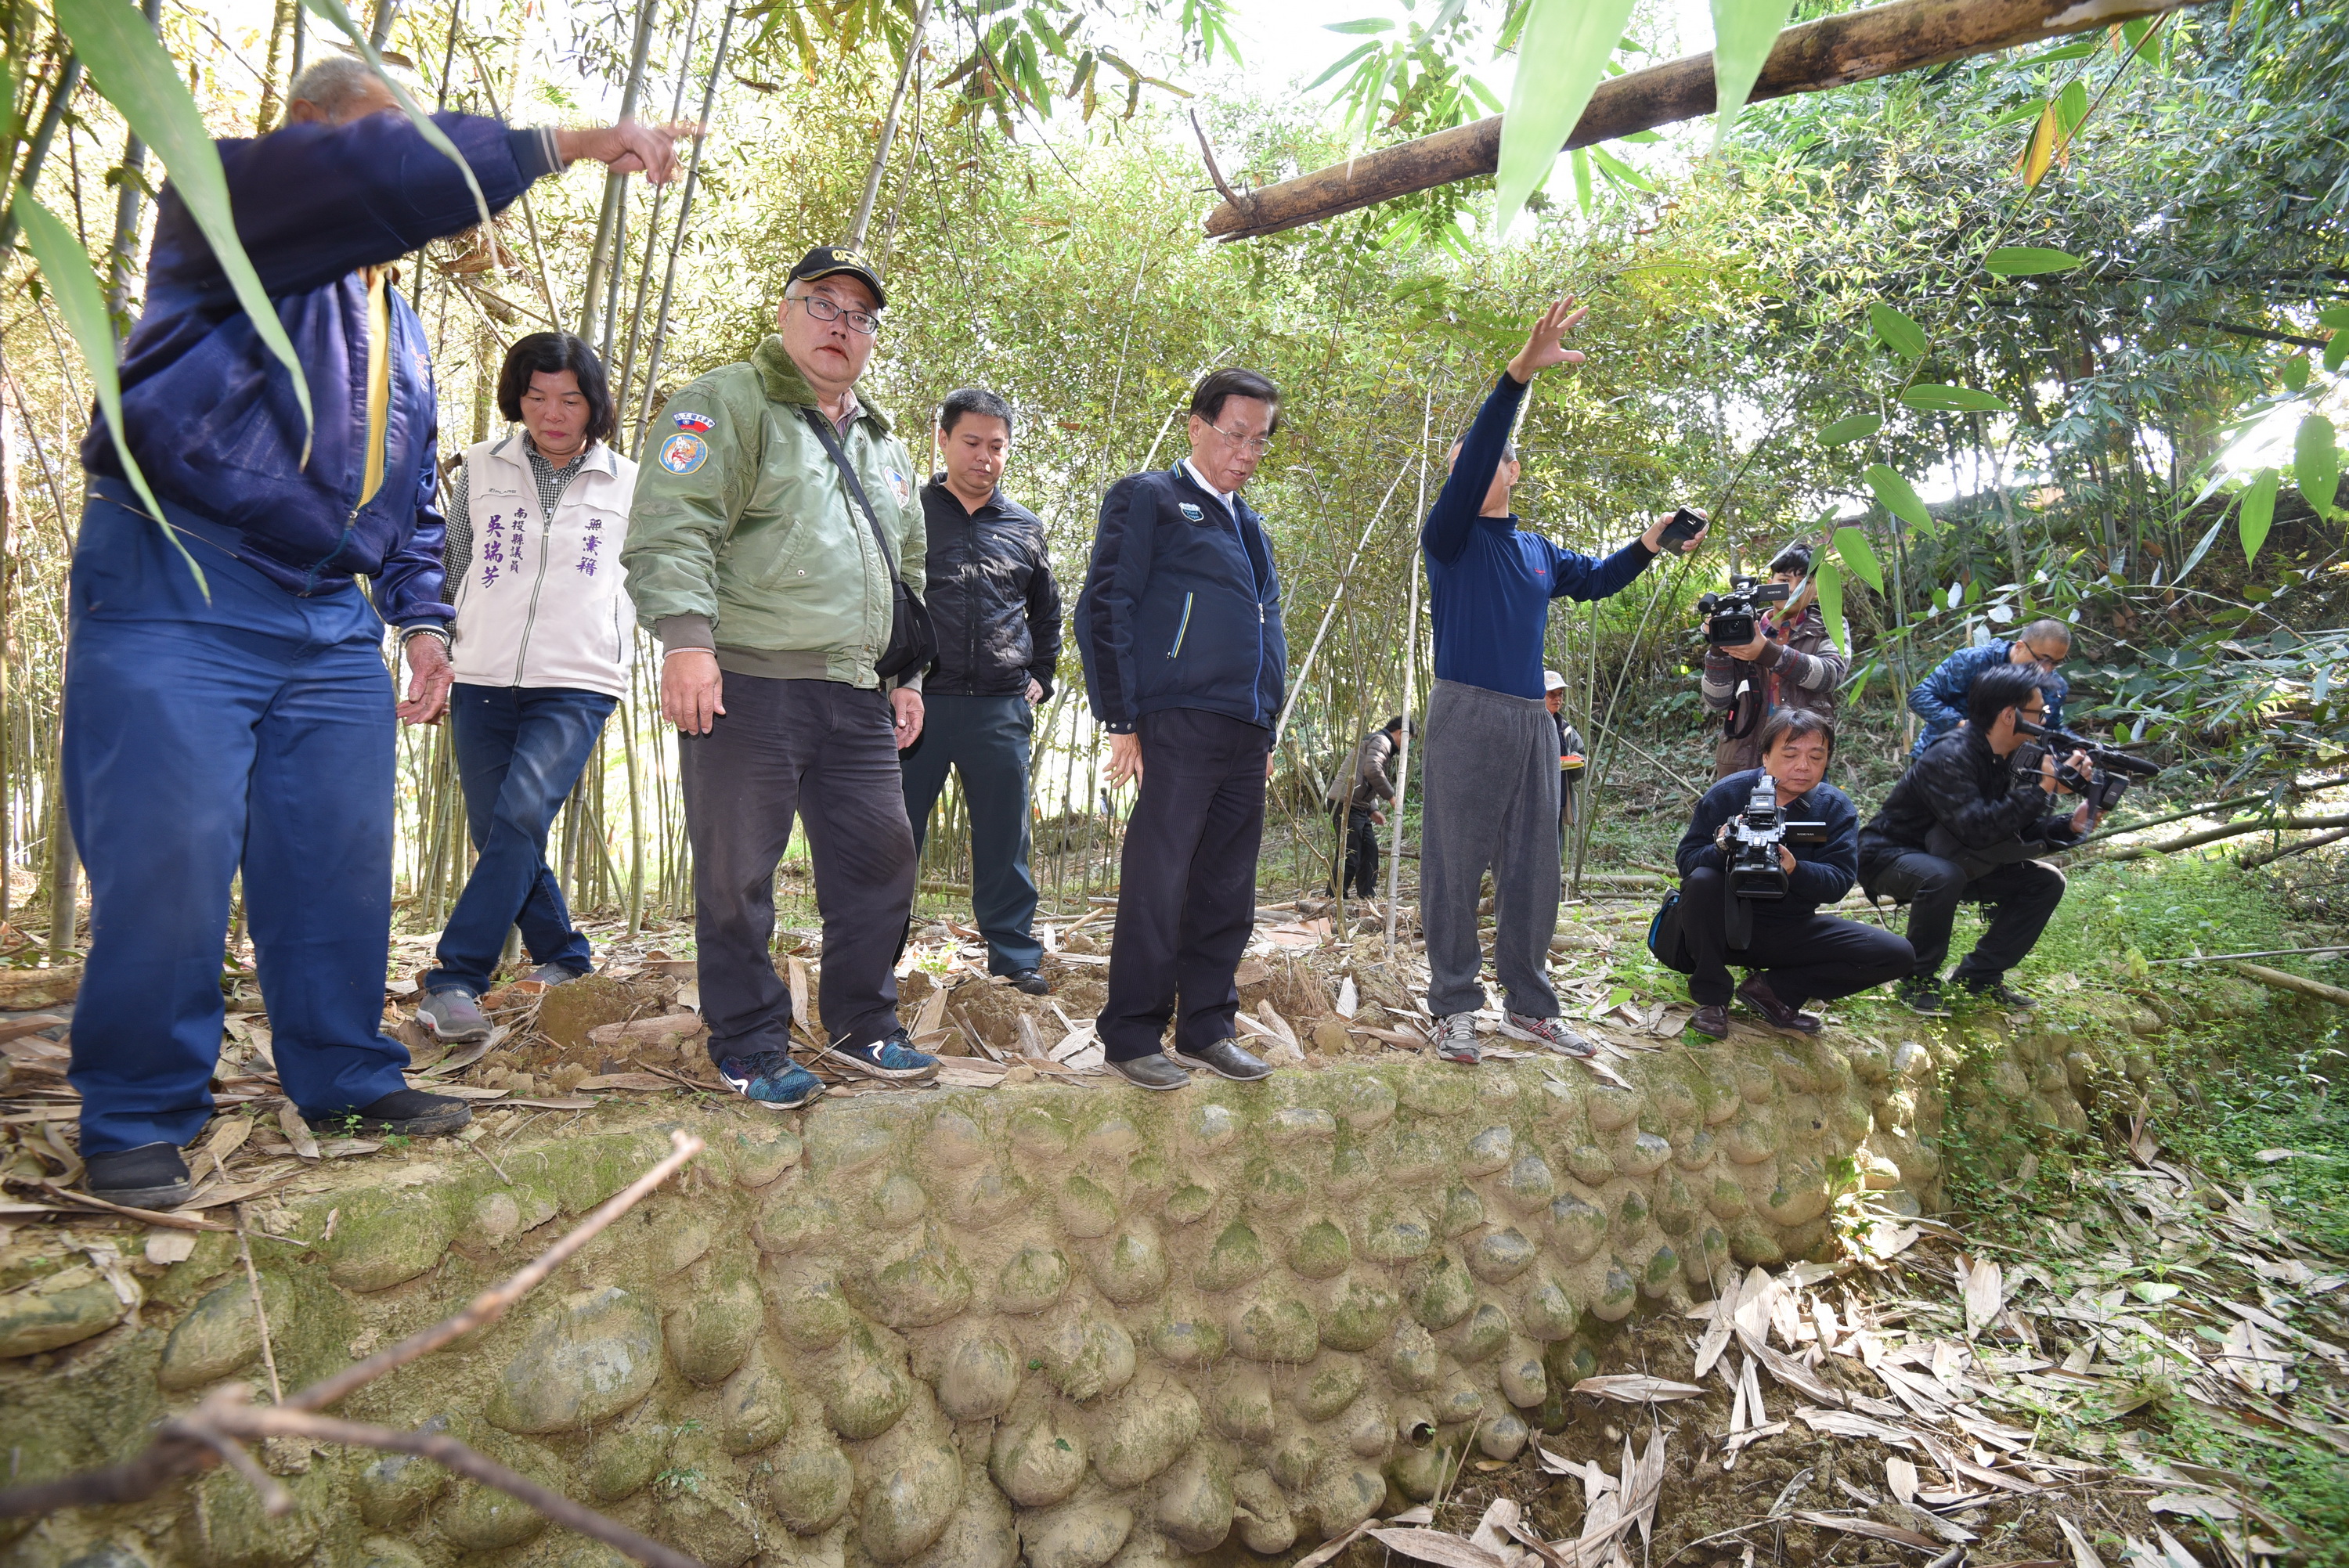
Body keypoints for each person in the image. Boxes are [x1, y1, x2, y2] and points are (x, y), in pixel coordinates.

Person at [63, 58, 689, 1209]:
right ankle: (141, 1108)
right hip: (180, 573)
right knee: (173, 854)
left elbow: (401, 502)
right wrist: (564, 142)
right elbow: (381, 180)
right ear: (312, 137)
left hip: (325, 614)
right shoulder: (230, 202)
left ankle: (346, 1071)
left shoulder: (395, 322)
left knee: (335, 858)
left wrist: (424, 623)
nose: (411, 172)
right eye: (388, 142)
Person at [622, 245, 940, 1110]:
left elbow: (908, 561)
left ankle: (865, 1022)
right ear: (785, 311)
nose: (841, 325)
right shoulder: (728, 401)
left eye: (860, 315)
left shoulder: (883, 441)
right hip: (750, 682)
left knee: (883, 861)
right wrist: (686, 640)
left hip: (859, 692)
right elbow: (672, 522)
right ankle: (751, 1043)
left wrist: (906, 672)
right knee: (737, 876)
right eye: (823, 303)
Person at [1419, 298, 1706, 1066]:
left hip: (1531, 718)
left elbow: (1603, 577)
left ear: (1514, 471)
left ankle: (1530, 1006)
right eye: (1461, 466)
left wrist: (1652, 541)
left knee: (1533, 868)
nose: (1472, 470)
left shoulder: (1538, 551)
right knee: (1454, 862)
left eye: (1485, 462)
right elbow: (1476, 450)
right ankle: (1453, 1007)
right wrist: (1517, 375)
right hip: (1466, 712)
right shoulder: (1447, 540)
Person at [414, 333, 637, 1043]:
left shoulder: (631, 483)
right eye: (537, 396)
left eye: (570, 398)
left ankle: (455, 978)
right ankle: (565, 954)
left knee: (516, 819)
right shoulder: (480, 468)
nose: (552, 412)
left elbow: (666, 575)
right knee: (498, 830)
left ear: (593, 405)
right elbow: (445, 572)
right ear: (518, 397)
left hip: (577, 681)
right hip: (482, 676)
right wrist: (433, 654)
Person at [1076, 369, 1288, 1091]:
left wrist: (1267, 722)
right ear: (1196, 426)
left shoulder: (1250, 524)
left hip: (1245, 728)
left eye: (1260, 440)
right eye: (1236, 434)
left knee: (1227, 884)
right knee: (1159, 878)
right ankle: (1132, 1031)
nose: (1248, 451)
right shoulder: (1151, 498)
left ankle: (1207, 1026)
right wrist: (1121, 717)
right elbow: (1107, 604)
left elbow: (1268, 626)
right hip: (1178, 717)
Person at [899, 387, 1062, 993]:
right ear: (943, 440)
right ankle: (876, 951)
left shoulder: (1025, 526)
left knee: (1004, 837)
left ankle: (1015, 955)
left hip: (999, 706)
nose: (984, 457)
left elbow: (1047, 612)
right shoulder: (908, 514)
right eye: (972, 442)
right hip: (918, 703)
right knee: (893, 835)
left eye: (997, 446)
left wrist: (1041, 674)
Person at [1860, 663, 2097, 1015]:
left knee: (2045, 881)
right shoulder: (1950, 755)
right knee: (1942, 875)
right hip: (1890, 856)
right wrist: (2044, 787)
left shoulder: (2011, 757)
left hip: (1953, 855)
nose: (2045, 721)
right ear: (2009, 715)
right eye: (2039, 712)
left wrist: (2071, 825)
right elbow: (1978, 828)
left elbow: (2009, 827)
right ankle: (1916, 979)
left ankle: (1978, 977)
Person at [1664, 711, 1914, 1039]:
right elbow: (1686, 861)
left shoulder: (1834, 807)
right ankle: (1711, 999)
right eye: (1791, 754)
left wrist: (1795, 869)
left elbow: (1838, 881)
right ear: (1766, 756)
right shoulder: (1729, 794)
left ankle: (1774, 991)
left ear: (1827, 761)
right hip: (1723, 925)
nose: (1803, 766)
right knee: (1701, 881)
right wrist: (1722, 845)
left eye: (1816, 756)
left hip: (1790, 928)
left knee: (1897, 954)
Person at [1701, 543, 1846, 780]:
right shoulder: (1742, 623)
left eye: (1805, 582)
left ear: (1818, 589)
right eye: (1784, 579)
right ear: (1769, 583)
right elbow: (1716, 701)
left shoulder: (1829, 625)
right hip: (1743, 756)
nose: (1793, 589)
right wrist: (1718, 647)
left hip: (1802, 759)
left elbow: (1830, 676)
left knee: (1805, 817)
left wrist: (1766, 652)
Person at [1905, 619, 2071, 758]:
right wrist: (1963, 725)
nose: (2047, 669)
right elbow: (1920, 696)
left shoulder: (2053, 686)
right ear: (2020, 646)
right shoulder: (1972, 661)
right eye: (2042, 660)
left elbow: (2052, 728)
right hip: (1942, 757)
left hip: (2002, 771)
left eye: (2055, 663)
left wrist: (2076, 747)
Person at [1328, 716, 1405, 900]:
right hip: (1345, 803)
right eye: (1408, 739)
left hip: (1358, 805)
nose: (1407, 746)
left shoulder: (1377, 741)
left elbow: (1362, 779)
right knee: (1350, 854)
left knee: (1370, 851)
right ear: (1400, 733)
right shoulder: (1382, 741)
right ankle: (1333, 899)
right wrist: (1391, 796)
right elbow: (1372, 770)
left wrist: (1372, 810)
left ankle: (1366, 898)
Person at [1543, 670, 1586, 830]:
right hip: (1535, 806)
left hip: (1558, 804)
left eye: (1560, 694)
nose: (1558, 698)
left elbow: (1580, 755)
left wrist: (1575, 761)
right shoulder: (1530, 725)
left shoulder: (1565, 728)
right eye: (1551, 693)